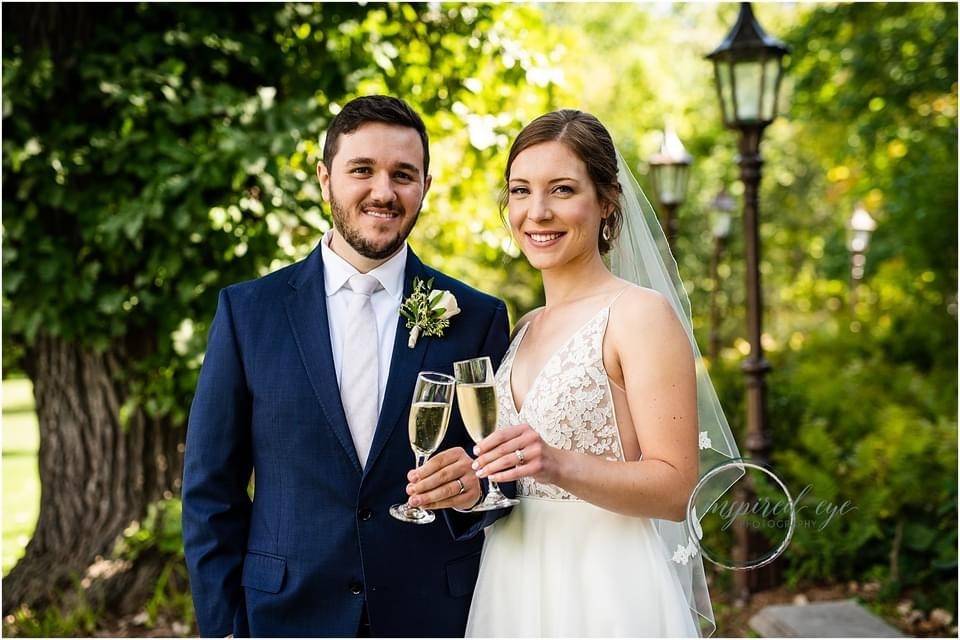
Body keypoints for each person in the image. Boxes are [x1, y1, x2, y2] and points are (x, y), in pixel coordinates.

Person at [181, 95, 512, 638]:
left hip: (434, 616)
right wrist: (224, 629)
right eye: (363, 170)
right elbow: (209, 493)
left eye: (403, 174)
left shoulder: (476, 317)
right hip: (283, 617)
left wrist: (473, 491)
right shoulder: (248, 313)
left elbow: (507, 479)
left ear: (425, 186)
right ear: (324, 178)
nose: (384, 191)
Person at [459, 110, 741, 637]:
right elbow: (513, 475)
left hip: (603, 586)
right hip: (512, 579)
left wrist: (556, 463)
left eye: (562, 190)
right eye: (520, 191)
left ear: (606, 201)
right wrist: (469, 480)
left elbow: (675, 488)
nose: (536, 212)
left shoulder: (639, 314)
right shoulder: (522, 329)